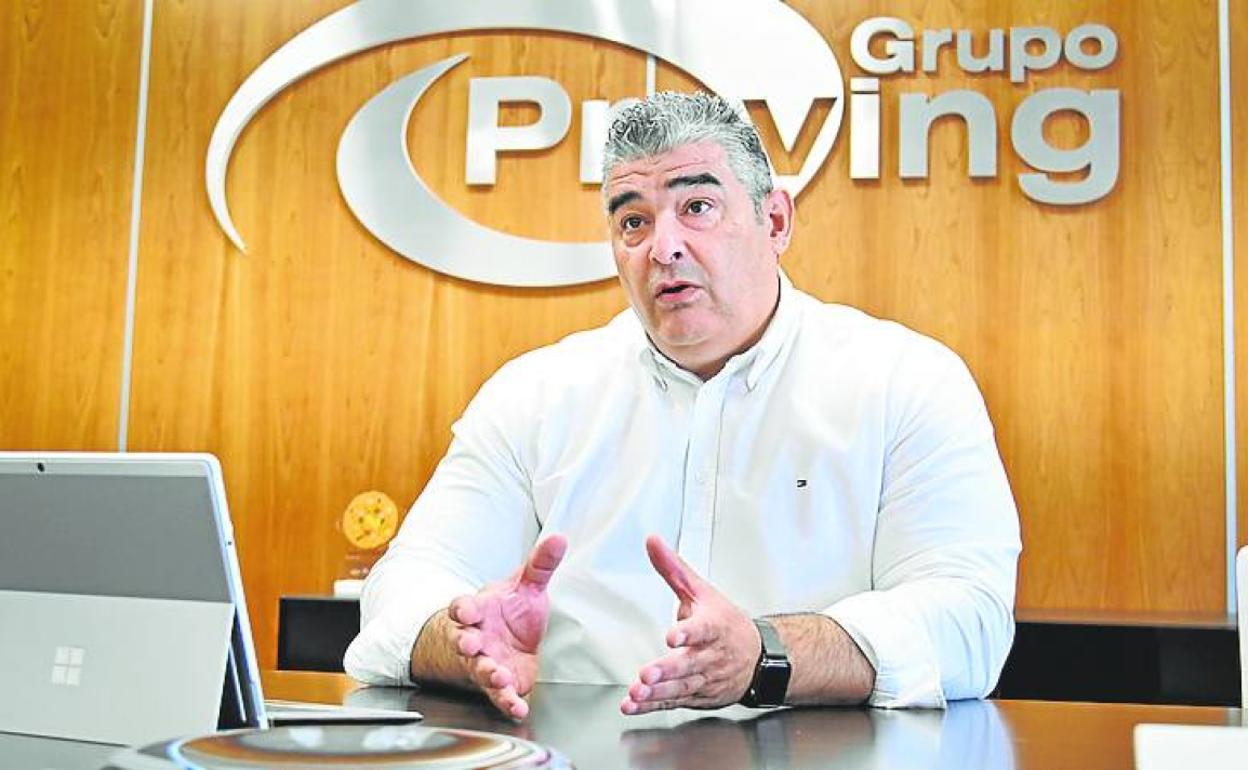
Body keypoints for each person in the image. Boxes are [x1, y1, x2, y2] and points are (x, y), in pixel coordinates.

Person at [344, 91, 1020, 720]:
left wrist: (766, 655)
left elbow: (969, 619)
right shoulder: (534, 396)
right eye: (633, 220)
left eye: (697, 207)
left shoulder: (906, 381)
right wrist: (460, 639)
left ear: (775, 220)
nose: (663, 248)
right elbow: (405, 587)